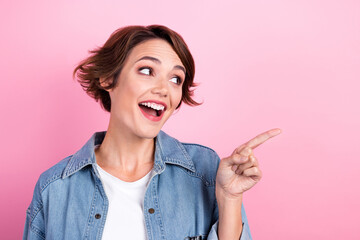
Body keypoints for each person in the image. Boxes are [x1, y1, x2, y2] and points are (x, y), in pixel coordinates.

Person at [23, 24, 281, 240]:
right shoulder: (54, 188)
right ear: (108, 79)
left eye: (175, 79)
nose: (164, 89)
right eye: (147, 71)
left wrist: (229, 199)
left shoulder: (205, 171)